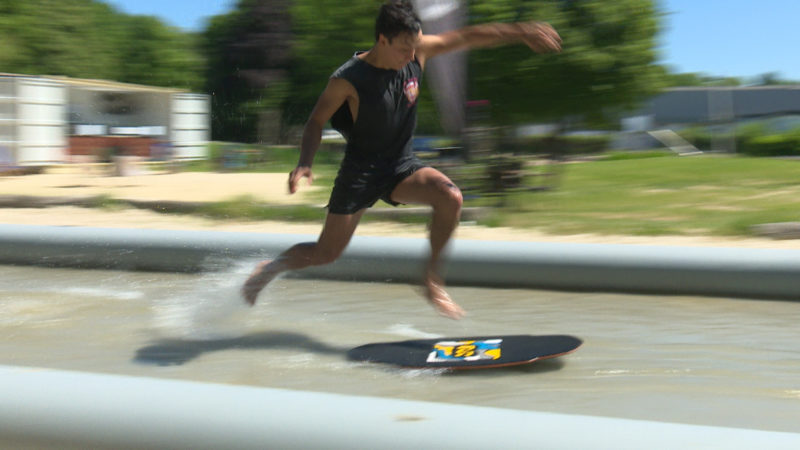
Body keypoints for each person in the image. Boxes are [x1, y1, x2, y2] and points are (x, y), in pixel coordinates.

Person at [242, 0, 561, 319]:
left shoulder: (417, 49)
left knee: (450, 197)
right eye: (404, 49)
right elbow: (315, 121)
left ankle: (431, 281)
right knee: (325, 254)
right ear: (382, 40)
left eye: (415, 46)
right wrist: (305, 163)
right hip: (360, 174)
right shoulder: (348, 78)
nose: (412, 56)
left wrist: (521, 32)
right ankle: (269, 268)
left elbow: (466, 37)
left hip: (401, 166)